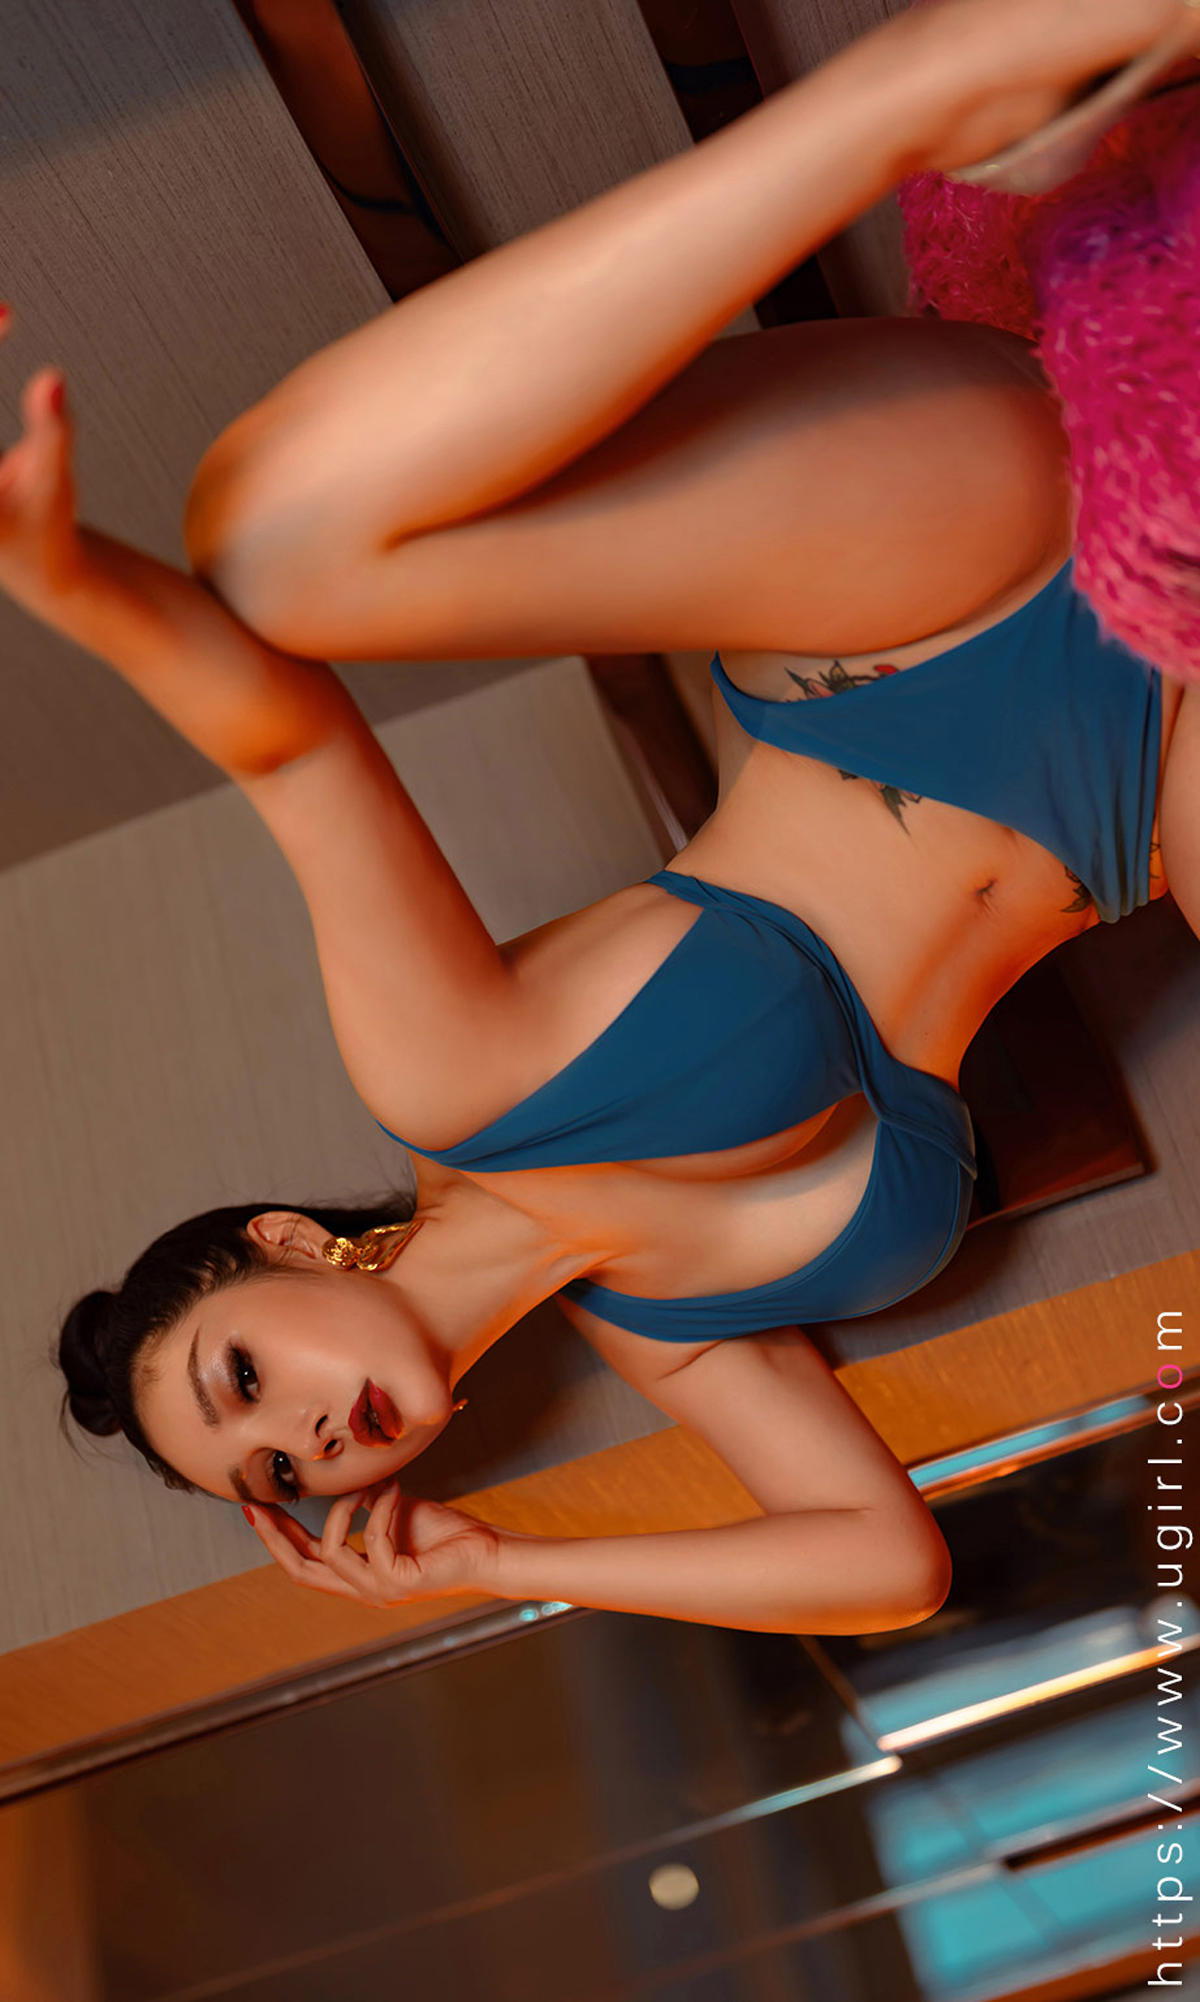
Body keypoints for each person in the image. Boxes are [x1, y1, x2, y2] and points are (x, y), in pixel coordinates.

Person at [8, 0, 1197, 1636]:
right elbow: (885, 1567)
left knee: (272, 559)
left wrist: (68, 581)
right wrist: (500, 1563)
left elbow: (291, 748)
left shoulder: (450, 1077)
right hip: (1144, 797)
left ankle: (922, 89)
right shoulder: (671, 1326)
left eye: (245, 1379)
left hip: (918, 607)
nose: (306, 1441)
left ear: (289, 1243)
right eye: (274, 1472)